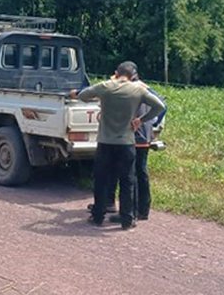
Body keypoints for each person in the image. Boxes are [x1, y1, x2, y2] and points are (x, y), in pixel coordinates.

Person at [70, 62, 165, 230]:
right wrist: (140, 120)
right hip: (126, 142)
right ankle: (127, 219)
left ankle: (98, 215)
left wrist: (99, 95)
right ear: (132, 75)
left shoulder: (106, 86)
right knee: (127, 180)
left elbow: (83, 95)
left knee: (101, 179)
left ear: (116, 73)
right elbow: (159, 106)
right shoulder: (138, 89)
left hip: (106, 141)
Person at [94, 76, 166, 221]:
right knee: (139, 173)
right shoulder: (145, 89)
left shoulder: (131, 90)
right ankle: (141, 210)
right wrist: (151, 124)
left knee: (130, 176)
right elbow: (162, 106)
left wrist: (140, 121)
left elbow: (161, 107)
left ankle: (129, 211)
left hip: (133, 136)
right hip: (143, 135)